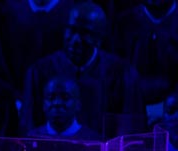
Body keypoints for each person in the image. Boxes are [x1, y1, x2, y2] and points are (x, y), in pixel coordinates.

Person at [21, 1, 145, 137]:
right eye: (71, 30)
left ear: (99, 39)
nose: (76, 40)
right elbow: (29, 131)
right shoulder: (40, 72)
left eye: (86, 33)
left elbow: (129, 134)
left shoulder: (122, 75)